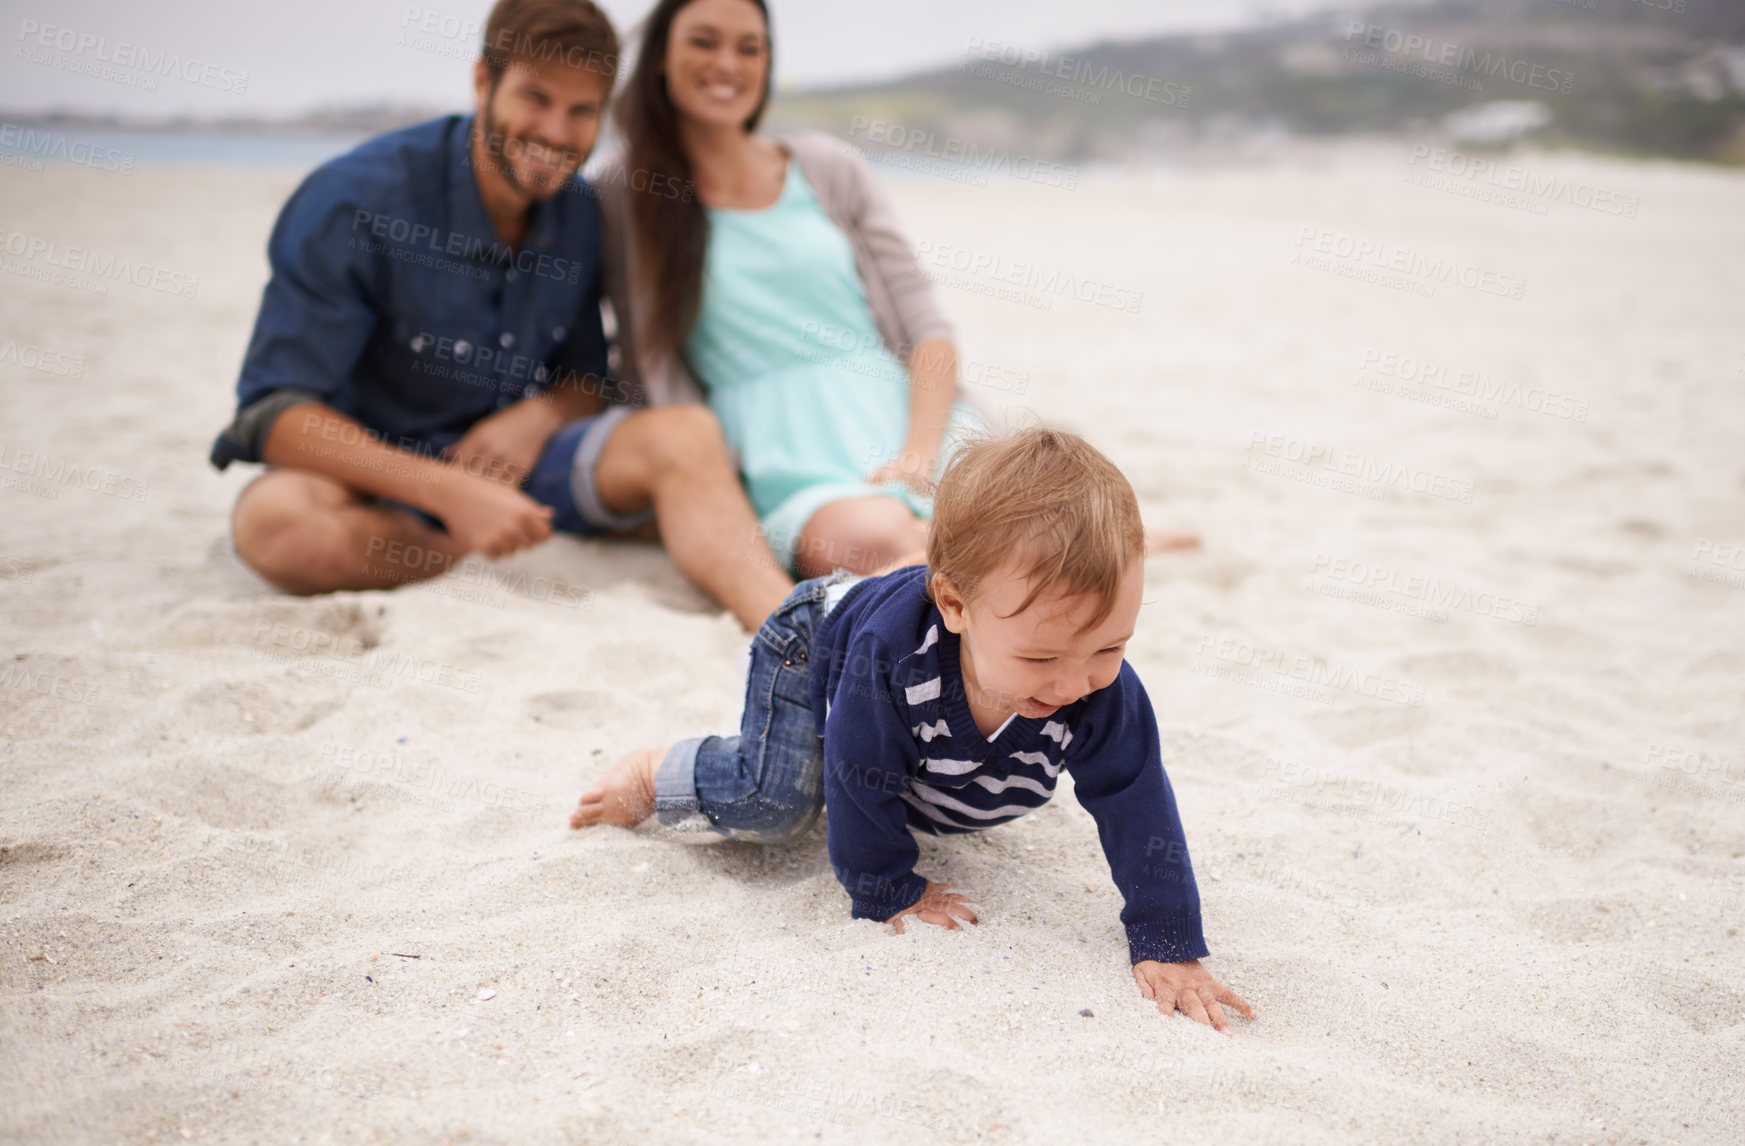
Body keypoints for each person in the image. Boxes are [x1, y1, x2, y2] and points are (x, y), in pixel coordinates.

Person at [569, 427, 1254, 1033]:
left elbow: (1135, 800)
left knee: (967, 774)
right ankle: (660, 771)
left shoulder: (1092, 684)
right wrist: (887, 887)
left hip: (911, 690)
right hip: (814, 641)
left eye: (1110, 647)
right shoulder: (890, 660)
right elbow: (855, 774)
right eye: (1041, 658)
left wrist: (1166, 939)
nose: (1076, 683)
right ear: (954, 605)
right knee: (777, 802)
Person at [209, 0, 792, 631]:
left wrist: (539, 416)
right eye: (535, 98)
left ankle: (792, 633)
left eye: (581, 111)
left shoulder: (580, 212)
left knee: (688, 434)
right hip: (376, 480)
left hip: (525, 472)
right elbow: (273, 413)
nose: (557, 132)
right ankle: (468, 553)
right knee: (274, 527)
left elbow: (588, 380)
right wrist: (447, 492)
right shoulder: (352, 200)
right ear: (483, 82)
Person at [598, 0, 978, 580]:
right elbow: (638, 359)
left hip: (910, 422)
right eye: (704, 41)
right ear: (660, 58)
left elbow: (928, 328)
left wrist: (918, 458)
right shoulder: (625, 193)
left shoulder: (829, 168)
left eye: (749, 47)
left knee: (1042, 523)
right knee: (876, 542)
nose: (727, 63)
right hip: (783, 456)